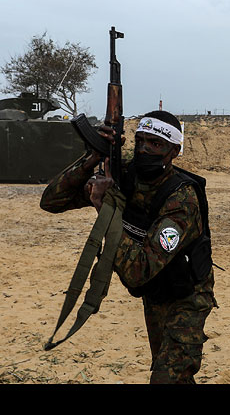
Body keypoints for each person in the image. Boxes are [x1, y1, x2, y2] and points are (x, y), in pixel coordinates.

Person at [40, 110, 217, 384]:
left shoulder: (181, 199)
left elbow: (138, 271)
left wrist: (103, 206)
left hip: (188, 297)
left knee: (166, 378)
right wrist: (93, 158)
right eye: (141, 141)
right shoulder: (125, 176)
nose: (145, 150)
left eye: (156, 144)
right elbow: (51, 201)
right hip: (157, 290)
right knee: (169, 371)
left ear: (174, 151)